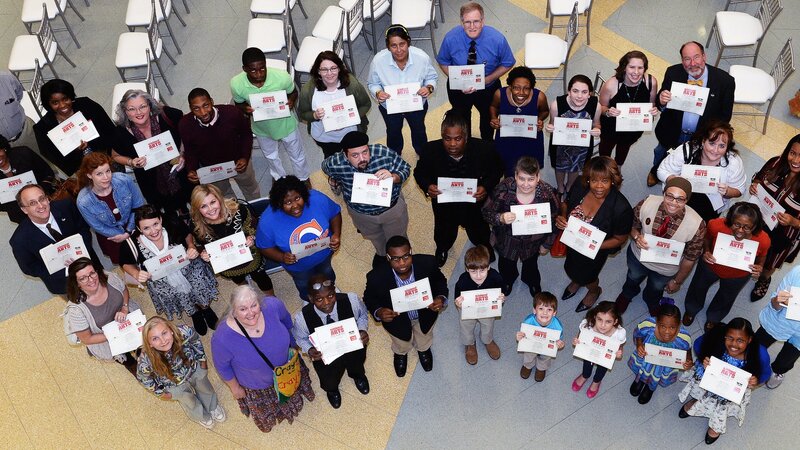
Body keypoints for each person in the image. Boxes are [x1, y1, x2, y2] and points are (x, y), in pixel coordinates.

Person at [211, 285, 315, 433]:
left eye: (254, 305)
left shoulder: (273, 305)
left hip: (287, 371)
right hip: (259, 385)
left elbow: (287, 322)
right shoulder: (222, 338)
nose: (251, 313)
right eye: (243, 309)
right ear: (233, 311)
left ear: (260, 302)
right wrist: (235, 388)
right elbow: (222, 366)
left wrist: (294, 346)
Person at [414, 109, 503, 267]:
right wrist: (428, 187)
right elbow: (419, 172)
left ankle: (484, 246)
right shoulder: (430, 150)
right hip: (445, 205)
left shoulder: (484, 149)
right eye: (447, 139)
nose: (452, 144)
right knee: (443, 229)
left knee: (479, 228)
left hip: (474, 204)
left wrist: (485, 187)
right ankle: (442, 248)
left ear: (466, 137)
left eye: (458, 139)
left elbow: (496, 171)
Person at [647, 41, 735, 187]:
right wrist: (662, 101)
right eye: (687, 59)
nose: (692, 63)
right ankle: (655, 171)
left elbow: (725, 117)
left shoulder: (725, 81)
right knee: (661, 153)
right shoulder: (673, 72)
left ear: (704, 57)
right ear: (682, 61)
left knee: (691, 161)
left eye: (696, 57)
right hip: (671, 130)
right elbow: (660, 100)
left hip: (700, 136)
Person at [120, 205, 219, 335]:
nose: (153, 231)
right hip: (162, 279)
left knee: (198, 285)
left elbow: (187, 234)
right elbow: (124, 262)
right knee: (179, 295)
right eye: (146, 228)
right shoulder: (131, 243)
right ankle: (194, 313)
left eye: (155, 224)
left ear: (160, 220)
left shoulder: (172, 224)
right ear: (139, 228)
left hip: (188, 268)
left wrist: (191, 246)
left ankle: (205, 308)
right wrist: (136, 273)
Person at [614, 177, 705, 316]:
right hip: (639, 257)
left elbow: (690, 258)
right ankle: (627, 293)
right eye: (670, 196)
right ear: (664, 193)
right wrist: (637, 236)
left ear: (687, 200)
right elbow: (631, 224)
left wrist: (677, 281)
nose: (673, 203)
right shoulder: (647, 203)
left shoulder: (697, 225)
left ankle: (652, 299)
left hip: (666, 269)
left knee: (656, 287)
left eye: (680, 199)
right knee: (633, 276)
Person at [321, 131, 411, 266]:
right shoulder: (336, 163)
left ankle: (401, 257)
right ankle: (382, 254)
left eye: (365, 152)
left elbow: (405, 168)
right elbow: (325, 168)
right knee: (375, 238)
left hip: (391, 209)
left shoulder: (383, 153)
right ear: (345, 155)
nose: (362, 158)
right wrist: (337, 180)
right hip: (362, 214)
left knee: (398, 238)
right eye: (355, 155)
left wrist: (394, 176)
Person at [556, 156, 633, 312]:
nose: (598, 186)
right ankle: (576, 281)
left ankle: (594, 290)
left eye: (604, 181)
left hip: (595, 251)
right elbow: (566, 203)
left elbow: (620, 238)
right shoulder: (579, 185)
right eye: (594, 180)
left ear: (613, 180)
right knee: (572, 267)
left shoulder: (621, 208)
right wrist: (562, 217)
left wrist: (594, 245)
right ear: (588, 179)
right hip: (573, 242)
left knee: (588, 276)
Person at [363, 236, 449, 377]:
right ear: (388, 257)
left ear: (411, 252)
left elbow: (440, 280)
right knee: (401, 341)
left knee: (424, 335)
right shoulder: (376, 276)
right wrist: (378, 312)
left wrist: (440, 297)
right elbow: (369, 297)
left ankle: (423, 349)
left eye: (406, 256)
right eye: (395, 259)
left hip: (424, 314)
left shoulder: (428, 263)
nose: (402, 263)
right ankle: (401, 352)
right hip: (396, 319)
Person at [677, 318, 770, 445]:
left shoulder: (760, 353)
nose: (733, 345)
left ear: (749, 340)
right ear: (724, 335)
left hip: (731, 392)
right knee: (701, 392)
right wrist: (704, 359)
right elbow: (699, 345)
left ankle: (716, 426)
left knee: (723, 408)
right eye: (730, 338)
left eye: (740, 340)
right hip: (709, 380)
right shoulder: (716, 336)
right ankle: (696, 400)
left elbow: (765, 373)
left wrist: (755, 381)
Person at [683, 202, 769, 330]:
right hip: (710, 266)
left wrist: (760, 266)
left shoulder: (763, 239)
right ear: (730, 220)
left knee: (726, 297)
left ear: (755, 226)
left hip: (738, 275)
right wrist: (706, 250)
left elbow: (762, 256)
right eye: (737, 224)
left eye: (747, 227)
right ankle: (691, 309)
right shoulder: (716, 225)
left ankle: (714, 318)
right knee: (698, 287)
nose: (740, 231)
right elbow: (707, 238)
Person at [482, 156, 559, 296]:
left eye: (531, 179)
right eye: (522, 178)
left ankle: (531, 281)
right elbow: (486, 212)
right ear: (515, 175)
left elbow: (554, 220)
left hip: (533, 242)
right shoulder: (503, 190)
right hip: (506, 240)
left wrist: (547, 244)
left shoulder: (547, 194)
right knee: (506, 265)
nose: (526, 184)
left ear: (538, 177)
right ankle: (507, 280)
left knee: (531, 264)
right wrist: (500, 217)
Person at [437, 2, 515, 140]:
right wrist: (458, 80)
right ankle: (465, 143)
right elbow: (443, 61)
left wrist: (488, 79)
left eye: (476, 21)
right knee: (462, 118)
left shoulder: (497, 39)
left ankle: (486, 144)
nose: (472, 26)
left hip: (488, 87)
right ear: (462, 22)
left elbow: (508, 62)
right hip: (459, 89)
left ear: (483, 21)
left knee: (488, 117)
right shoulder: (450, 38)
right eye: (467, 22)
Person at [256, 176, 342, 300]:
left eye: (298, 198)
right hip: (298, 267)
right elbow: (264, 247)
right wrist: (281, 257)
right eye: (288, 202)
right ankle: (308, 298)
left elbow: (335, 213)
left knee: (328, 273)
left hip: (324, 255)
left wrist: (336, 234)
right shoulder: (267, 221)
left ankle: (330, 290)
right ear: (279, 204)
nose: (295, 206)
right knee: (303, 283)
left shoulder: (317, 199)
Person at [232, 47, 310, 184]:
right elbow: (239, 103)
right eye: (253, 70)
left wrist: (291, 101)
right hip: (262, 129)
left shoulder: (281, 77)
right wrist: (245, 109)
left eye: (262, 69)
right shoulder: (236, 84)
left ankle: (303, 177)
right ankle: (278, 177)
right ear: (244, 69)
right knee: (271, 155)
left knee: (297, 155)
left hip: (286, 125)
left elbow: (293, 92)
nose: (258, 74)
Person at [292, 275, 370, 409]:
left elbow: (362, 314)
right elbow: (300, 338)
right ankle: (332, 389)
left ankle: (358, 376)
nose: (327, 303)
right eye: (319, 299)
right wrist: (309, 350)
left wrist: (362, 330)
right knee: (328, 376)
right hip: (325, 356)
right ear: (311, 299)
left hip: (352, 346)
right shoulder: (302, 318)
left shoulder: (351, 300)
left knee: (356, 362)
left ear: (335, 291)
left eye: (330, 296)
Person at [111, 89, 191, 219]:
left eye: (142, 106)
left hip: (181, 171)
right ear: (125, 111)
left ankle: (185, 212)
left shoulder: (167, 115)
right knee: (166, 211)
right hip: (151, 181)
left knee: (187, 196)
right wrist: (132, 162)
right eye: (131, 109)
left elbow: (186, 130)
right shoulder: (121, 132)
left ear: (150, 105)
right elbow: (115, 156)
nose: (138, 113)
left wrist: (182, 153)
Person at [10, 184, 101, 294]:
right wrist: (63, 270)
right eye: (32, 203)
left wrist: (82, 255)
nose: (40, 205)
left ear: (47, 199)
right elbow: (29, 267)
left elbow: (83, 228)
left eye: (42, 199)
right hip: (63, 283)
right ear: (24, 209)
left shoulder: (66, 206)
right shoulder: (19, 240)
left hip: (91, 267)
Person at [136, 317, 226, 429]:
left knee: (205, 388)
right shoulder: (145, 359)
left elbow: (195, 341)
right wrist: (160, 393)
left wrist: (202, 361)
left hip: (193, 368)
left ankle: (212, 406)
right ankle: (201, 416)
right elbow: (143, 378)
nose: (163, 341)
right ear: (149, 344)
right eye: (155, 338)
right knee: (189, 401)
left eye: (164, 333)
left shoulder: (185, 331)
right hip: (173, 384)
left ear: (171, 330)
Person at [188, 184, 274, 295]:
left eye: (213, 202)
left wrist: (251, 237)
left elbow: (254, 226)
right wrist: (204, 254)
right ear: (197, 209)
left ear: (219, 199)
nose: (210, 209)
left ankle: (272, 298)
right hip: (227, 264)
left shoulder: (238, 210)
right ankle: (247, 293)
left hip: (251, 255)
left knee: (261, 278)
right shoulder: (196, 225)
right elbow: (199, 245)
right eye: (203, 206)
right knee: (238, 279)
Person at [367, 24, 438, 155]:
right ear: (388, 46)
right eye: (394, 45)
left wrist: (429, 87)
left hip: (417, 105)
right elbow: (372, 83)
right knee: (393, 132)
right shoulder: (378, 61)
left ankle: (422, 153)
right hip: (390, 107)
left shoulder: (421, 57)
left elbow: (432, 77)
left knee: (419, 130)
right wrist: (378, 92)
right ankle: (394, 155)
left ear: (408, 42)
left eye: (402, 44)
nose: (399, 50)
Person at [179, 88, 261, 200]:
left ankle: (256, 211)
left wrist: (244, 157)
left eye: (206, 105)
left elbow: (246, 135)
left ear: (212, 102)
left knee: (251, 190)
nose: (203, 113)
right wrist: (191, 169)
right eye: (196, 108)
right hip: (213, 170)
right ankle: (235, 215)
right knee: (224, 196)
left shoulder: (232, 113)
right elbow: (190, 150)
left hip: (239, 163)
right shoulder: (185, 125)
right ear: (190, 108)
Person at [657, 119, 745, 222]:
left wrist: (727, 191)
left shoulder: (733, 162)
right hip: (681, 195)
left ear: (727, 147)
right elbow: (661, 171)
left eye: (722, 146)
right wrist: (674, 179)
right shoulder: (686, 151)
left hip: (711, 202)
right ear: (703, 141)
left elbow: (739, 190)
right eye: (712, 143)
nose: (715, 150)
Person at [64, 257, 141, 375]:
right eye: (83, 278)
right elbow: (87, 338)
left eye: (92, 273)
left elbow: (124, 290)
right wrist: (116, 332)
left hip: (127, 320)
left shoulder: (109, 277)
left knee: (144, 347)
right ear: (77, 284)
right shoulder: (76, 310)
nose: (91, 280)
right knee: (129, 361)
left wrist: (125, 307)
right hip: (106, 338)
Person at [748, 134, 800, 300]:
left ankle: (764, 279)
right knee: (750, 248)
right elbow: (757, 177)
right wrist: (754, 185)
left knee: (771, 260)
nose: (796, 160)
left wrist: (794, 221)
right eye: (793, 153)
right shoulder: (776, 163)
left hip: (785, 232)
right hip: (759, 219)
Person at [33, 79, 117, 175]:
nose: (62, 105)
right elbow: (56, 159)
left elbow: (110, 131)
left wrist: (92, 144)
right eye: (55, 102)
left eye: (65, 99)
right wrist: (76, 152)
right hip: (79, 169)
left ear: (71, 96)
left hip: (106, 156)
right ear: (48, 104)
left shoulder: (88, 106)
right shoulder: (43, 128)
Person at [297, 51, 372, 158]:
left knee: (357, 159)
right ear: (318, 71)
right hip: (325, 137)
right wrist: (314, 116)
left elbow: (366, 104)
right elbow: (302, 113)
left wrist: (351, 117)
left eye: (333, 68)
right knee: (332, 160)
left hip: (351, 133)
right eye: (324, 69)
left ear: (339, 68)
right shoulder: (308, 90)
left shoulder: (351, 84)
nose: (329, 73)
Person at [75, 152, 146, 264]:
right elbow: (98, 226)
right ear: (89, 175)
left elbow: (138, 206)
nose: (106, 177)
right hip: (112, 236)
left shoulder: (124, 180)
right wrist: (121, 235)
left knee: (145, 258)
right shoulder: (83, 201)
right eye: (99, 174)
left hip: (134, 225)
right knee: (127, 265)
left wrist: (128, 231)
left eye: (108, 171)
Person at [598, 50, 660, 166]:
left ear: (645, 68)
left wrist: (653, 111)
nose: (636, 72)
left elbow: (652, 104)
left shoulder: (651, 82)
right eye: (632, 67)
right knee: (605, 153)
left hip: (633, 128)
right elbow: (601, 107)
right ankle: (605, 169)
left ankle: (618, 167)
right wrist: (608, 112)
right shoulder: (611, 85)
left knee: (624, 148)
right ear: (624, 67)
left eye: (640, 68)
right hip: (611, 128)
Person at [546, 74, 602, 198]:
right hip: (561, 145)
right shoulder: (557, 104)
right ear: (569, 92)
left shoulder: (595, 105)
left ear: (589, 94)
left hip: (582, 145)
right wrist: (549, 128)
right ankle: (560, 187)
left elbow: (597, 123)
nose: (579, 96)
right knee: (559, 168)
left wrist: (597, 129)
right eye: (575, 91)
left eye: (584, 92)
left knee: (576, 167)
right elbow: (552, 124)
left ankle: (570, 186)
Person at [628, 302, 692, 405]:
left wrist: (689, 361)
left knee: (656, 375)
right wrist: (639, 345)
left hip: (664, 364)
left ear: (679, 324)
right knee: (643, 369)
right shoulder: (648, 325)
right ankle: (639, 381)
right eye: (662, 326)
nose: (667, 331)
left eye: (672, 327)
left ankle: (650, 388)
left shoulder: (683, 337)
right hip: (646, 358)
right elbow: (638, 334)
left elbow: (687, 349)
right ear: (656, 321)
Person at [489, 67, 549, 176]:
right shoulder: (500, 94)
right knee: (506, 170)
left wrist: (540, 120)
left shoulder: (539, 97)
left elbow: (545, 111)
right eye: (516, 88)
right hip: (506, 140)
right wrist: (493, 118)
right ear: (510, 86)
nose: (521, 92)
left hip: (531, 142)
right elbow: (493, 106)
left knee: (529, 173)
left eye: (526, 88)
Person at [453, 245, 505, 365]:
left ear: (488, 267)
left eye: (482, 270)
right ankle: (470, 343)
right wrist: (458, 303)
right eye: (473, 271)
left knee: (488, 324)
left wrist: (501, 298)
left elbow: (501, 291)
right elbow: (457, 295)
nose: (478, 275)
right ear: (467, 269)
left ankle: (487, 340)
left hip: (487, 309)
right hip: (468, 309)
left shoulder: (495, 277)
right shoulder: (463, 280)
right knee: (466, 326)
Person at [755, 266, 800, 390]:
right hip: (778, 321)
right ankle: (750, 361)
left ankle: (779, 370)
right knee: (756, 347)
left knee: (787, 358)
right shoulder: (797, 273)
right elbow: (775, 303)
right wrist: (778, 300)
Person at [570, 301, 626, 398]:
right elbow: (581, 335)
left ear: (615, 321)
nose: (603, 325)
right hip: (589, 351)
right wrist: (577, 341)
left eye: (608, 321)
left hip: (605, 357)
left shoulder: (619, 333)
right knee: (587, 364)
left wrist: (619, 353)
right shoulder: (587, 325)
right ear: (595, 317)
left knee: (602, 369)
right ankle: (585, 375)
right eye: (600, 319)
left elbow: (619, 346)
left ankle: (597, 381)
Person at [0, 134, 57, 223]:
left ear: (4, 148)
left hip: (47, 204)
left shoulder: (24, 153)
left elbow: (48, 173)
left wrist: (38, 193)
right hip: (21, 216)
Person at [515, 291, 565, 381]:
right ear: (534, 310)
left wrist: (560, 344)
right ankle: (528, 365)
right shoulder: (528, 321)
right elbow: (523, 336)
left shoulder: (557, 326)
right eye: (541, 308)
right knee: (529, 355)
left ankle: (541, 368)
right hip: (531, 346)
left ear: (554, 313)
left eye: (549, 310)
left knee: (545, 358)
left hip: (546, 348)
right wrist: (519, 337)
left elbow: (558, 340)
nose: (545, 313)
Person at [0, 71, 40, 155]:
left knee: (45, 159)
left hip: (26, 132)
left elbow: (19, 94)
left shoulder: (6, 77)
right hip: (4, 148)